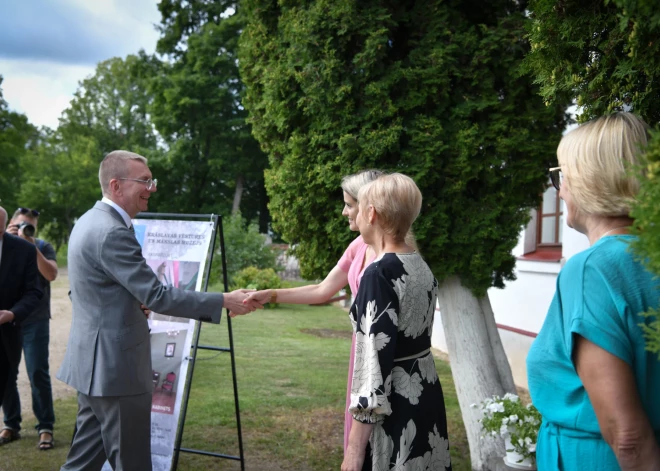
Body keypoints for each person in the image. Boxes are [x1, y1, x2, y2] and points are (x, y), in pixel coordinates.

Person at [57, 150, 258, 471]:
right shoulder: (112, 231)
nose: (152, 188)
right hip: (116, 372)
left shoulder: (87, 221)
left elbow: (86, 290)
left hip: (93, 369)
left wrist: (129, 303)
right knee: (133, 462)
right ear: (116, 185)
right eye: (145, 181)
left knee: (82, 463)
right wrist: (224, 300)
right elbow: (158, 295)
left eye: (152, 180)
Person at [526, 113, 660, 469]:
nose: (561, 189)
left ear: (590, 180)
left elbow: (627, 435)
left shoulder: (592, 269)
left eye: (562, 176)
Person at [242, 169, 383, 453]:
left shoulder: (389, 259)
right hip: (361, 348)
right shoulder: (358, 246)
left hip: (379, 353)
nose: (344, 212)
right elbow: (322, 290)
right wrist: (269, 295)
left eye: (349, 204)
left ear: (370, 208)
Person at [341, 173, 451, 471]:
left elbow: (372, 369)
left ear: (371, 213)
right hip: (425, 395)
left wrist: (353, 450)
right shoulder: (419, 264)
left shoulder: (378, 274)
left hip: (394, 408)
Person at [1, 207, 59, 451]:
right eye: (20, 224)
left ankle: (45, 426)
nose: (25, 228)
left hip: (35, 318)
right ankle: (11, 424)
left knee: (37, 372)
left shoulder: (42, 246)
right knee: (5, 374)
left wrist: (30, 244)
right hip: (7, 322)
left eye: (30, 225)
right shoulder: (4, 244)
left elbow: (51, 274)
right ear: (10, 223)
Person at [0, 206, 43, 440]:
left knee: (14, 377)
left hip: (10, 328)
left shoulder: (25, 249)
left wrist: (13, 314)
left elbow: (34, 291)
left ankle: (38, 425)